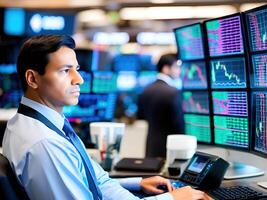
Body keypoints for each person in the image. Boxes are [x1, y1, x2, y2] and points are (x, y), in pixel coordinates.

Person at [2, 35, 209, 200]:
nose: (79, 79)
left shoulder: (35, 124)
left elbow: (94, 181)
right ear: (32, 78)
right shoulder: (45, 143)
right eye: (65, 71)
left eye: (77, 69)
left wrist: (137, 183)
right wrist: (172, 199)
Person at [137, 54, 185, 158]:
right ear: (166, 68)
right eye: (176, 67)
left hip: (151, 147)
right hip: (169, 149)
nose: (179, 71)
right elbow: (178, 125)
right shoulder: (173, 92)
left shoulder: (146, 90)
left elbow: (140, 115)